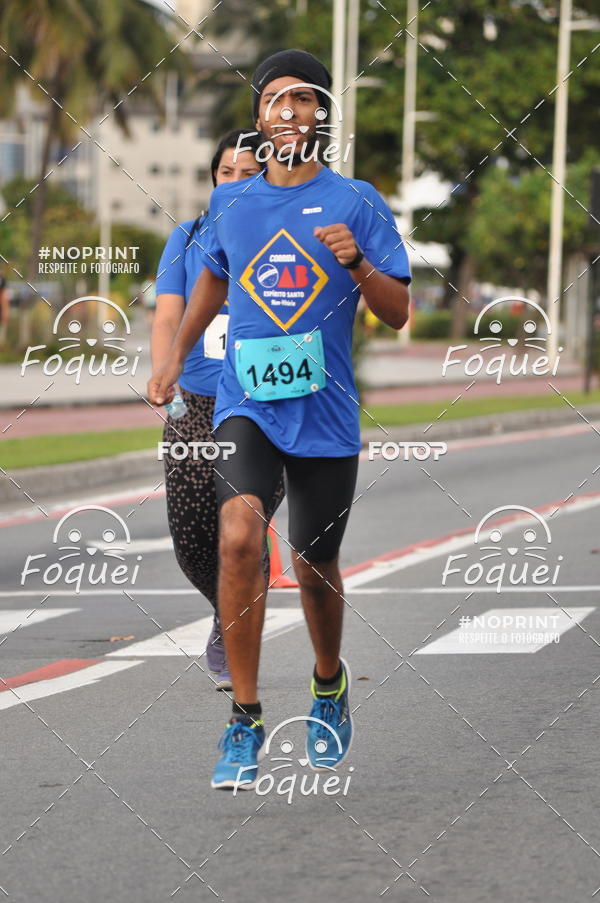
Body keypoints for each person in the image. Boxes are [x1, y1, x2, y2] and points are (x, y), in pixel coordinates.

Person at [149, 50, 411, 789]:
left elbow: (398, 312)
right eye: (276, 99)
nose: (289, 111)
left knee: (313, 563)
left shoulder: (356, 200)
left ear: (320, 116)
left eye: (304, 98)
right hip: (247, 404)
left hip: (324, 412)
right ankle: (245, 715)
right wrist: (170, 357)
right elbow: (212, 278)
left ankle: (328, 682)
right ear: (260, 117)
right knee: (239, 536)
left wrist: (359, 264)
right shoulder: (232, 204)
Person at [149, 129, 284, 691]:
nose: (234, 181)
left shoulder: (284, 238)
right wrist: (165, 372)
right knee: (189, 538)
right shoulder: (187, 237)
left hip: (261, 402)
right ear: (213, 182)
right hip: (195, 403)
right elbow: (166, 316)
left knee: (241, 531)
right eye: (224, 172)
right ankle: (229, 609)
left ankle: (233, 630)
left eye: (247, 171)